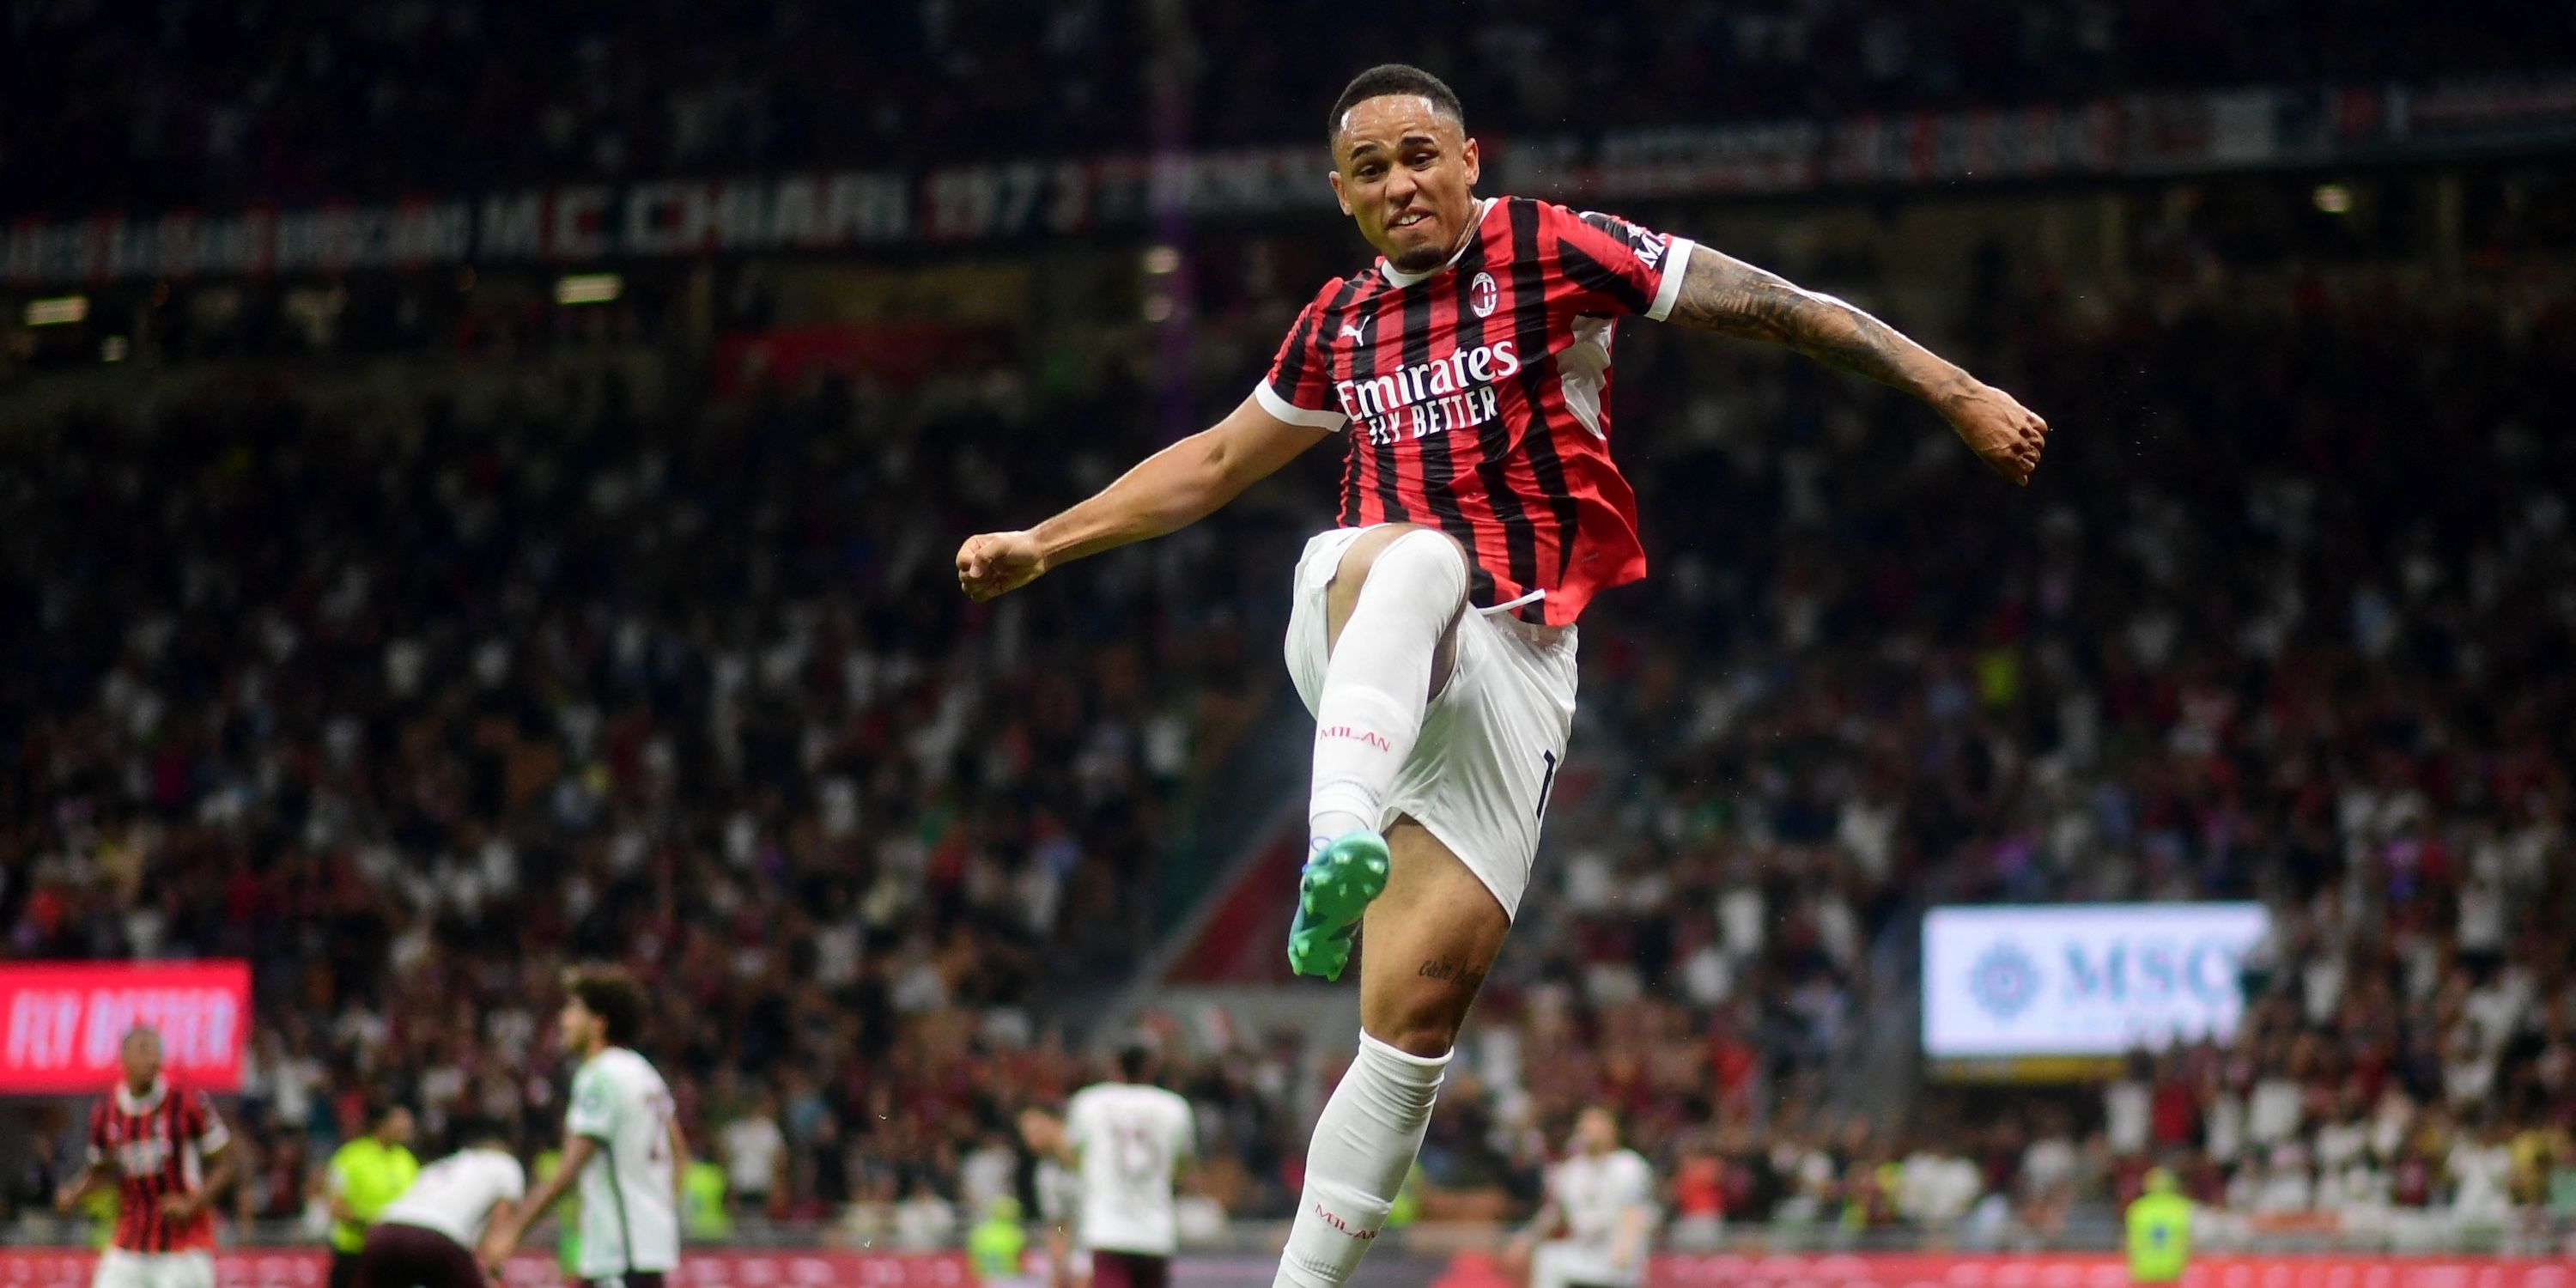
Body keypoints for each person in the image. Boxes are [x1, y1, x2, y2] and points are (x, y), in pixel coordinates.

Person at [955, 62, 2048, 1288]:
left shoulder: (1556, 249)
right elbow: (1211, 464)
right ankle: (1337, 836)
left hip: (1516, 663)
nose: (1400, 183)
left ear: (1473, 159)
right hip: (1365, 608)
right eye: (1370, 169)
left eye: (1421, 155)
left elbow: (1772, 305)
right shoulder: (1338, 320)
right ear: (1342, 195)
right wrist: (1041, 541)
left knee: (1414, 1032)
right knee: (1424, 555)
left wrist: (1955, 389)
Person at [484, 966, 688, 1288]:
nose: (563, 1020)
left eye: (573, 1009)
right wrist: (657, 1215)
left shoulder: (599, 1076)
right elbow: (680, 1153)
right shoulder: (646, 1073)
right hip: (644, 1249)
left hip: (619, 1254)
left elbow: (569, 1170)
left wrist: (511, 1231)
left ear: (598, 1023)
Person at [53, 1028, 240, 1288]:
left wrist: (192, 1203)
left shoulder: (185, 1101)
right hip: (130, 1244)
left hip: (182, 1246)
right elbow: (103, 1170)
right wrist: (73, 1194)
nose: (152, 1060)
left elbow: (227, 1162)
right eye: (143, 1051)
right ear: (124, 1057)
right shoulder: (106, 1112)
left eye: (156, 1052)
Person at [1028, 1047, 1198, 1288]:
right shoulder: (1174, 1107)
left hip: (1108, 1229)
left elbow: (1074, 1155)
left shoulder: (1090, 1102)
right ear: (1151, 1066)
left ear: (1114, 1065)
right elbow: (1184, 1169)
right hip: (1156, 1231)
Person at [1504, 1108, 1656, 1288]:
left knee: (1552, 1260)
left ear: (1613, 1130)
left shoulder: (1628, 1166)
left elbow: (1634, 1213)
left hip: (1618, 1255)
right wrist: (1526, 1240)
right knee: (1548, 1256)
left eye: (1597, 1124)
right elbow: (1554, 1214)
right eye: (1586, 1126)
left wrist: (1624, 1254)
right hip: (1585, 1252)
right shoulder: (1572, 1170)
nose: (1590, 1130)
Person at [357, 1136, 526, 1288]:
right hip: (438, 1235)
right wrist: (493, 1271)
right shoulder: (507, 1165)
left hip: (384, 1232)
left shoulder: (447, 1163)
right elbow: (499, 1231)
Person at [321, 1103, 420, 1288]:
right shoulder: (349, 1157)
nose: (407, 1124)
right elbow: (334, 1205)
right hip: (355, 1253)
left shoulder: (407, 1161)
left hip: (396, 1256)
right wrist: (371, 1224)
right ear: (380, 1124)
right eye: (400, 1119)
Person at [2124, 1166, 2193, 1285]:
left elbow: (2129, 1242)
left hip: (2143, 1273)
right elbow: (2188, 1241)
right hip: (2172, 1272)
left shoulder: (2137, 1208)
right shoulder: (2181, 1207)